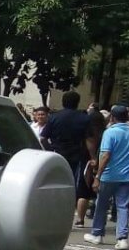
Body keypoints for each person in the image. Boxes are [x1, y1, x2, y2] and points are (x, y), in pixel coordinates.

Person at [84, 105, 129, 250]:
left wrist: (97, 176)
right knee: (123, 206)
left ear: (112, 117)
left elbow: (105, 155)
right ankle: (122, 238)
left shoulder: (110, 132)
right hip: (127, 176)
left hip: (109, 175)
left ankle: (97, 234)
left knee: (102, 205)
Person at [40, 91, 95, 228]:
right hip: (79, 156)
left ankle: (54, 216)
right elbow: (89, 140)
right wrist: (93, 157)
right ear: (77, 103)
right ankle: (74, 218)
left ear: (63, 102)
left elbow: (43, 138)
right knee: (77, 188)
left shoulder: (54, 117)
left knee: (56, 185)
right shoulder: (84, 118)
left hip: (58, 156)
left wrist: (50, 149)